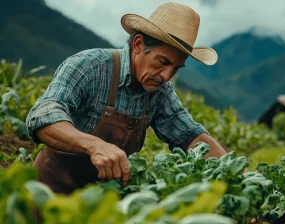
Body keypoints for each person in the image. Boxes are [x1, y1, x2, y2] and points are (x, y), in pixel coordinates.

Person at [26, 2, 227, 197]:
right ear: (138, 45)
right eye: (162, 62)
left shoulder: (160, 93)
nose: (166, 76)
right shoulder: (90, 66)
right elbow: (43, 115)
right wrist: (95, 145)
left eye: (175, 69)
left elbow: (191, 137)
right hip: (49, 191)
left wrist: (244, 176)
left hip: (101, 199)